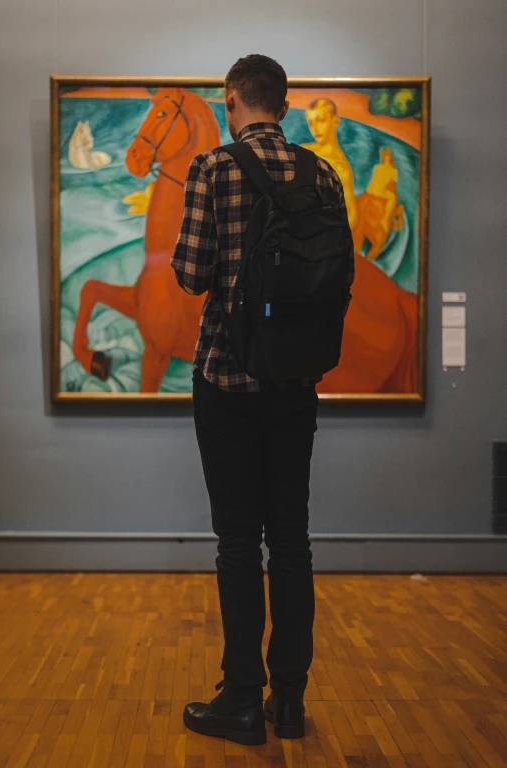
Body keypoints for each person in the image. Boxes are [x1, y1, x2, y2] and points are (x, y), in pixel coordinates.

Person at [171, 55, 354, 745]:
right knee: (293, 542)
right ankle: (290, 704)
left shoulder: (214, 168)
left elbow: (191, 276)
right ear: (284, 103)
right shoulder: (322, 173)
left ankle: (242, 701)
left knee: (239, 544)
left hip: (228, 378)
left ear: (231, 102)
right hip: (296, 383)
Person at [302, 98, 358, 230]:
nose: (315, 128)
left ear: (335, 121)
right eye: (311, 122)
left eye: (321, 120)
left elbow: (352, 213)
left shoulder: (340, 167)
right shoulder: (304, 150)